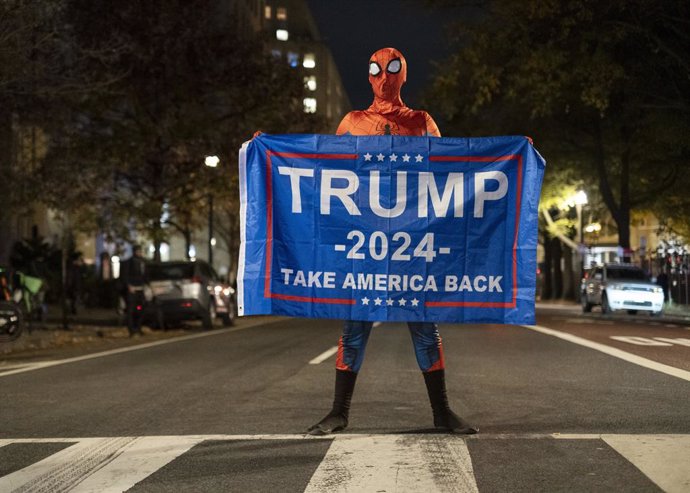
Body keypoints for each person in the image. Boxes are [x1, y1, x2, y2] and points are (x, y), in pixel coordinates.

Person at [308, 47, 477, 436]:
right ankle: (338, 412)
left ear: (403, 73)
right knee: (353, 329)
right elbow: (322, 169)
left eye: (392, 68)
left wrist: (512, 156)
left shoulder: (421, 122)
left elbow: (452, 171)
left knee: (424, 327)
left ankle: (442, 413)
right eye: (377, 69)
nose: (384, 76)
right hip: (365, 245)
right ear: (369, 75)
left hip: (409, 244)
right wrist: (267, 152)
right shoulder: (352, 122)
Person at [120, 245, 146, 337]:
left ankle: (138, 327)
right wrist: (129, 286)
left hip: (141, 288)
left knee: (141, 308)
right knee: (131, 310)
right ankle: (131, 330)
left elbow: (145, 275)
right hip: (132, 289)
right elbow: (125, 275)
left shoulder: (143, 261)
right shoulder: (129, 262)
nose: (139, 253)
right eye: (138, 251)